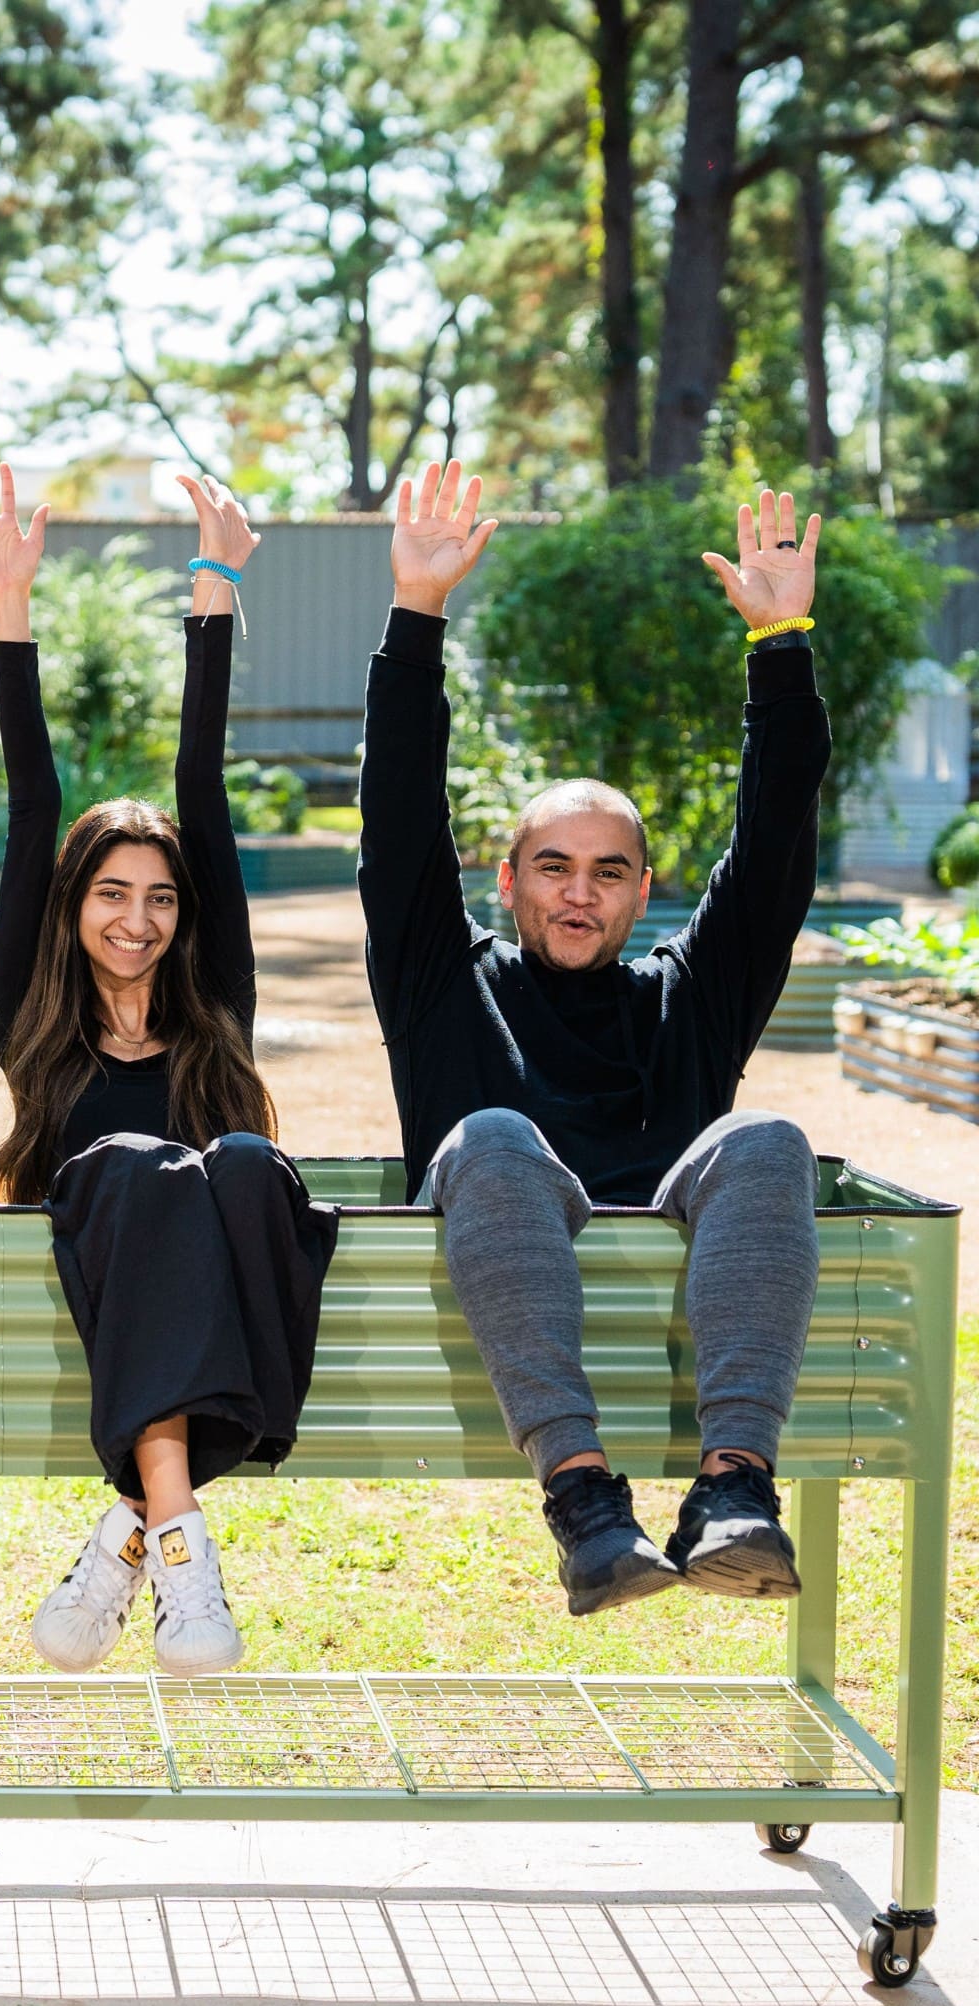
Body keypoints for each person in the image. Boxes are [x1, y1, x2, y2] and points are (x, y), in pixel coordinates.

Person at [359, 461, 829, 1614]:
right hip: (497, 1257)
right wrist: (416, 615)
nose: (580, 894)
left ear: (642, 891)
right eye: (555, 868)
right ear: (508, 880)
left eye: (609, 872)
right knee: (493, 1136)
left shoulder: (689, 995)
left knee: (765, 1135)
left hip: (675, 1260)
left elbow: (771, 854)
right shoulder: (441, 982)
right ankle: (583, 1504)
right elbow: (399, 815)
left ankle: (733, 1493)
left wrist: (782, 646)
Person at [0, 462, 338, 1678]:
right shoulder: (31, 1022)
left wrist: (215, 586)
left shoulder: (216, 1012)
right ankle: (180, 1539)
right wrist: (8, 606)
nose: (139, 918)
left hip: (186, 1310)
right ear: (72, 908)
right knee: (137, 1169)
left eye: (162, 898)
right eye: (112, 893)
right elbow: (32, 798)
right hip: (102, 1262)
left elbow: (202, 790)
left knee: (248, 1165)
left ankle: (139, 1525)